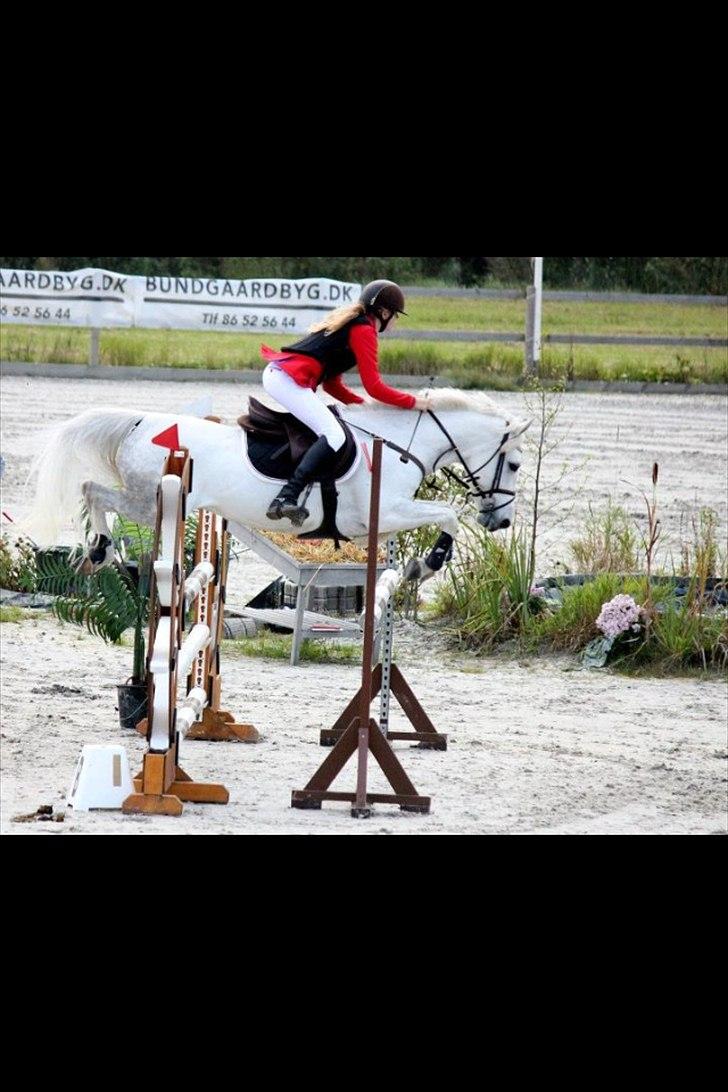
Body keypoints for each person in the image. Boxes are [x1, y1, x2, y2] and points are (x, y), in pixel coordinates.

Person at [260, 279, 431, 524]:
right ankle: (286, 497)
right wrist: (413, 402)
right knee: (334, 434)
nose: (396, 321)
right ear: (383, 312)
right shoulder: (364, 331)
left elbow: (332, 384)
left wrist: (360, 406)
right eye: (396, 315)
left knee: (333, 429)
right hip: (286, 380)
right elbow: (375, 387)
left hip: (281, 376)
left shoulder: (355, 325)